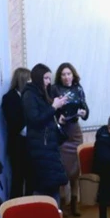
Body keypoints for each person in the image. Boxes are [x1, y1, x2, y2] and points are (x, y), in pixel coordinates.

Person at [21, 63, 69, 203]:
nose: (49, 82)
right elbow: (35, 119)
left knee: (52, 186)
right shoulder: (29, 95)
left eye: (49, 78)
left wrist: (57, 115)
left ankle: (55, 216)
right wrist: (54, 107)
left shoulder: (42, 93)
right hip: (40, 147)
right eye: (46, 78)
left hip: (47, 146)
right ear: (38, 78)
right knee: (43, 187)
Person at [51, 63, 90, 216]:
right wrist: (57, 118)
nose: (67, 77)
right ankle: (63, 204)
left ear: (73, 75)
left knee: (75, 169)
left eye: (69, 74)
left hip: (75, 131)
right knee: (63, 169)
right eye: (63, 74)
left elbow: (87, 112)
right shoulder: (55, 89)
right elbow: (51, 110)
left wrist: (82, 113)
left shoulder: (78, 88)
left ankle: (75, 203)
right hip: (61, 131)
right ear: (60, 76)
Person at [1, 68, 31, 198]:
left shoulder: (29, 96)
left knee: (31, 178)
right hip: (17, 144)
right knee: (17, 177)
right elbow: (12, 121)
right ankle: (15, 206)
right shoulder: (9, 98)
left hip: (29, 143)